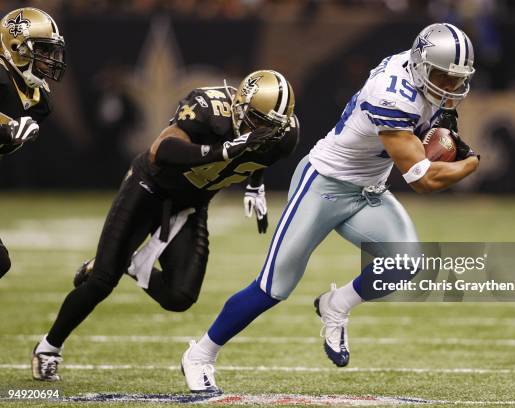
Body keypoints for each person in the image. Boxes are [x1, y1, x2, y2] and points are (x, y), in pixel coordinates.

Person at [180, 23, 479, 395]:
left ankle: (337, 304)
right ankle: (200, 354)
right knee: (273, 287)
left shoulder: (419, 75)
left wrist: (444, 127)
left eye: (455, 79)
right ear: (420, 66)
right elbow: (422, 179)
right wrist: (469, 163)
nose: (448, 87)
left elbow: (436, 120)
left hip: (367, 191)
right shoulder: (392, 94)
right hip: (323, 185)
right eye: (441, 77)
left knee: (406, 262)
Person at [31, 70, 299, 382]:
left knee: (180, 297)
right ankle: (49, 347)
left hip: (190, 205)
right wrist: (223, 150)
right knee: (102, 281)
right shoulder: (208, 108)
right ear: (239, 106)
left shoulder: (284, 136)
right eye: (258, 121)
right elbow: (162, 150)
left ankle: (131, 263)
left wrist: (255, 184)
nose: (265, 130)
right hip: (149, 188)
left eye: (272, 125)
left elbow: (259, 152)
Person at [0, 7, 66, 280]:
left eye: (51, 52)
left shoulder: (38, 99)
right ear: (17, 48)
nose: (49, 59)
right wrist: (6, 131)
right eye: (42, 50)